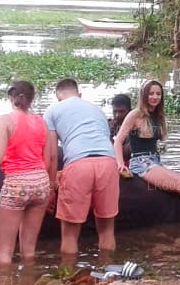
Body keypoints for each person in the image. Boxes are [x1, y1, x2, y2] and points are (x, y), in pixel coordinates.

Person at [44, 79, 128, 255]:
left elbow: (51, 155)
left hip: (78, 165)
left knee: (69, 236)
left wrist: (50, 189)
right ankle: (107, 270)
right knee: (106, 231)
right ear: (79, 94)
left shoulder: (52, 110)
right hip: (108, 163)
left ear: (58, 96)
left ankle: (67, 272)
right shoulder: (96, 110)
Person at [113, 80, 180, 226]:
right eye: (151, 93)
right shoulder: (135, 114)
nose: (155, 97)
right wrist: (120, 164)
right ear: (144, 95)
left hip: (155, 161)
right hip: (141, 163)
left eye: (158, 94)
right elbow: (118, 141)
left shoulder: (157, 115)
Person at [0, 81, 51, 267]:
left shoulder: (6, 120)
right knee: (29, 251)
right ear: (32, 99)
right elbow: (48, 160)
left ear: (11, 97)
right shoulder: (42, 122)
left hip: (17, 184)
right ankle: (28, 280)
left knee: (5, 253)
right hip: (41, 184)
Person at [109, 93, 133, 163]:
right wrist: (110, 133)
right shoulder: (110, 124)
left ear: (130, 112)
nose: (117, 115)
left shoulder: (135, 127)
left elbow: (124, 155)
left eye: (121, 112)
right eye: (114, 111)